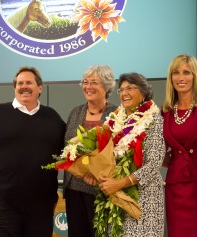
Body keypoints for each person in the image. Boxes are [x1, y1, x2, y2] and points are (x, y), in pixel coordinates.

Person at [0, 66, 66, 237]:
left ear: (40, 88)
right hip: (1, 206)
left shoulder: (52, 118)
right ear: (15, 88)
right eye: (20, 83)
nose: (24, 86)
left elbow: (68, 154)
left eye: (29, 82)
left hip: (40, 207)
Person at [86, 72, 166, 236]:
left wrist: (120, 183)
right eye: (121, 90)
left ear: (143, 92)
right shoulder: (115, 119)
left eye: (130, 88)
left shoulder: (154, 119)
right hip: (115, 198)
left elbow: (153, 164)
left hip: (143, 199)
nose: (124, 93)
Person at [161, 54, 197, 237]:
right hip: (175, 186)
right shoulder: (165, 111)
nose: (181, 78)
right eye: (175, 73)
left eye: (186, 72)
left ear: (195, 76)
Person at [63, 64, 117, 237]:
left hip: (102, 189)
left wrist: (96, 172)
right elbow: (67, 147)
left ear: (107, 86)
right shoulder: (76, 112)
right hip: (74, 188)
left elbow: (120, 151)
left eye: (94, 82)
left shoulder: (116, 113)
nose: (88, 87)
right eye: (85, 82)